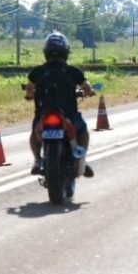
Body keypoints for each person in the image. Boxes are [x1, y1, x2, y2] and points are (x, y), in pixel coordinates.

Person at [25, 32, 95, 177]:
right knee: (82, 131)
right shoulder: (72, 71)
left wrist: (30, 96)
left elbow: (29, 87)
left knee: (34, 132)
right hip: (68, 115)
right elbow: (87, 87)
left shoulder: (38, 71)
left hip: (43, 114)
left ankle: (37, 160)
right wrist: (88, 92)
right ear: (66, 51)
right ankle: (82, 157)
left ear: (46, 51)